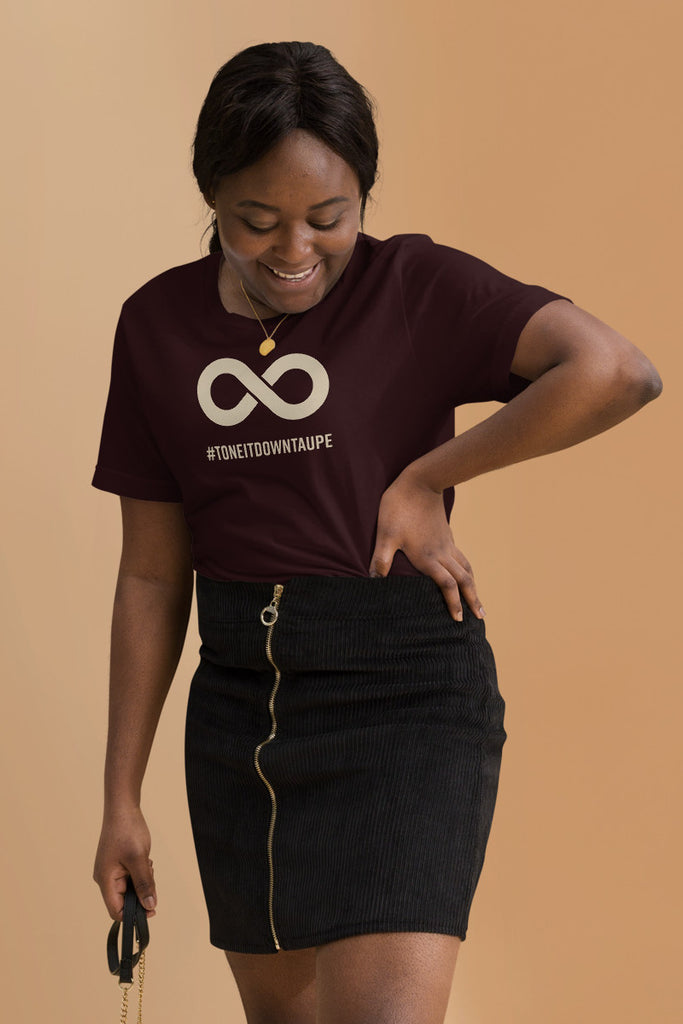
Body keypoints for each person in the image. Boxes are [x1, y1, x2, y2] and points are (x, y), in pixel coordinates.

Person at [92, 40, 662, 1024]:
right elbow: (151, 574)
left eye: (329, 217)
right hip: (241, 710)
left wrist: (430, 475)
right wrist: (121, 799)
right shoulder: (156, 327)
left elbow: (615, 370)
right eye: (254, 221)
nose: (294, 250)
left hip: (402, 692)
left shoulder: (413, 287)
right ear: (210, 195)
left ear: (363, 194)